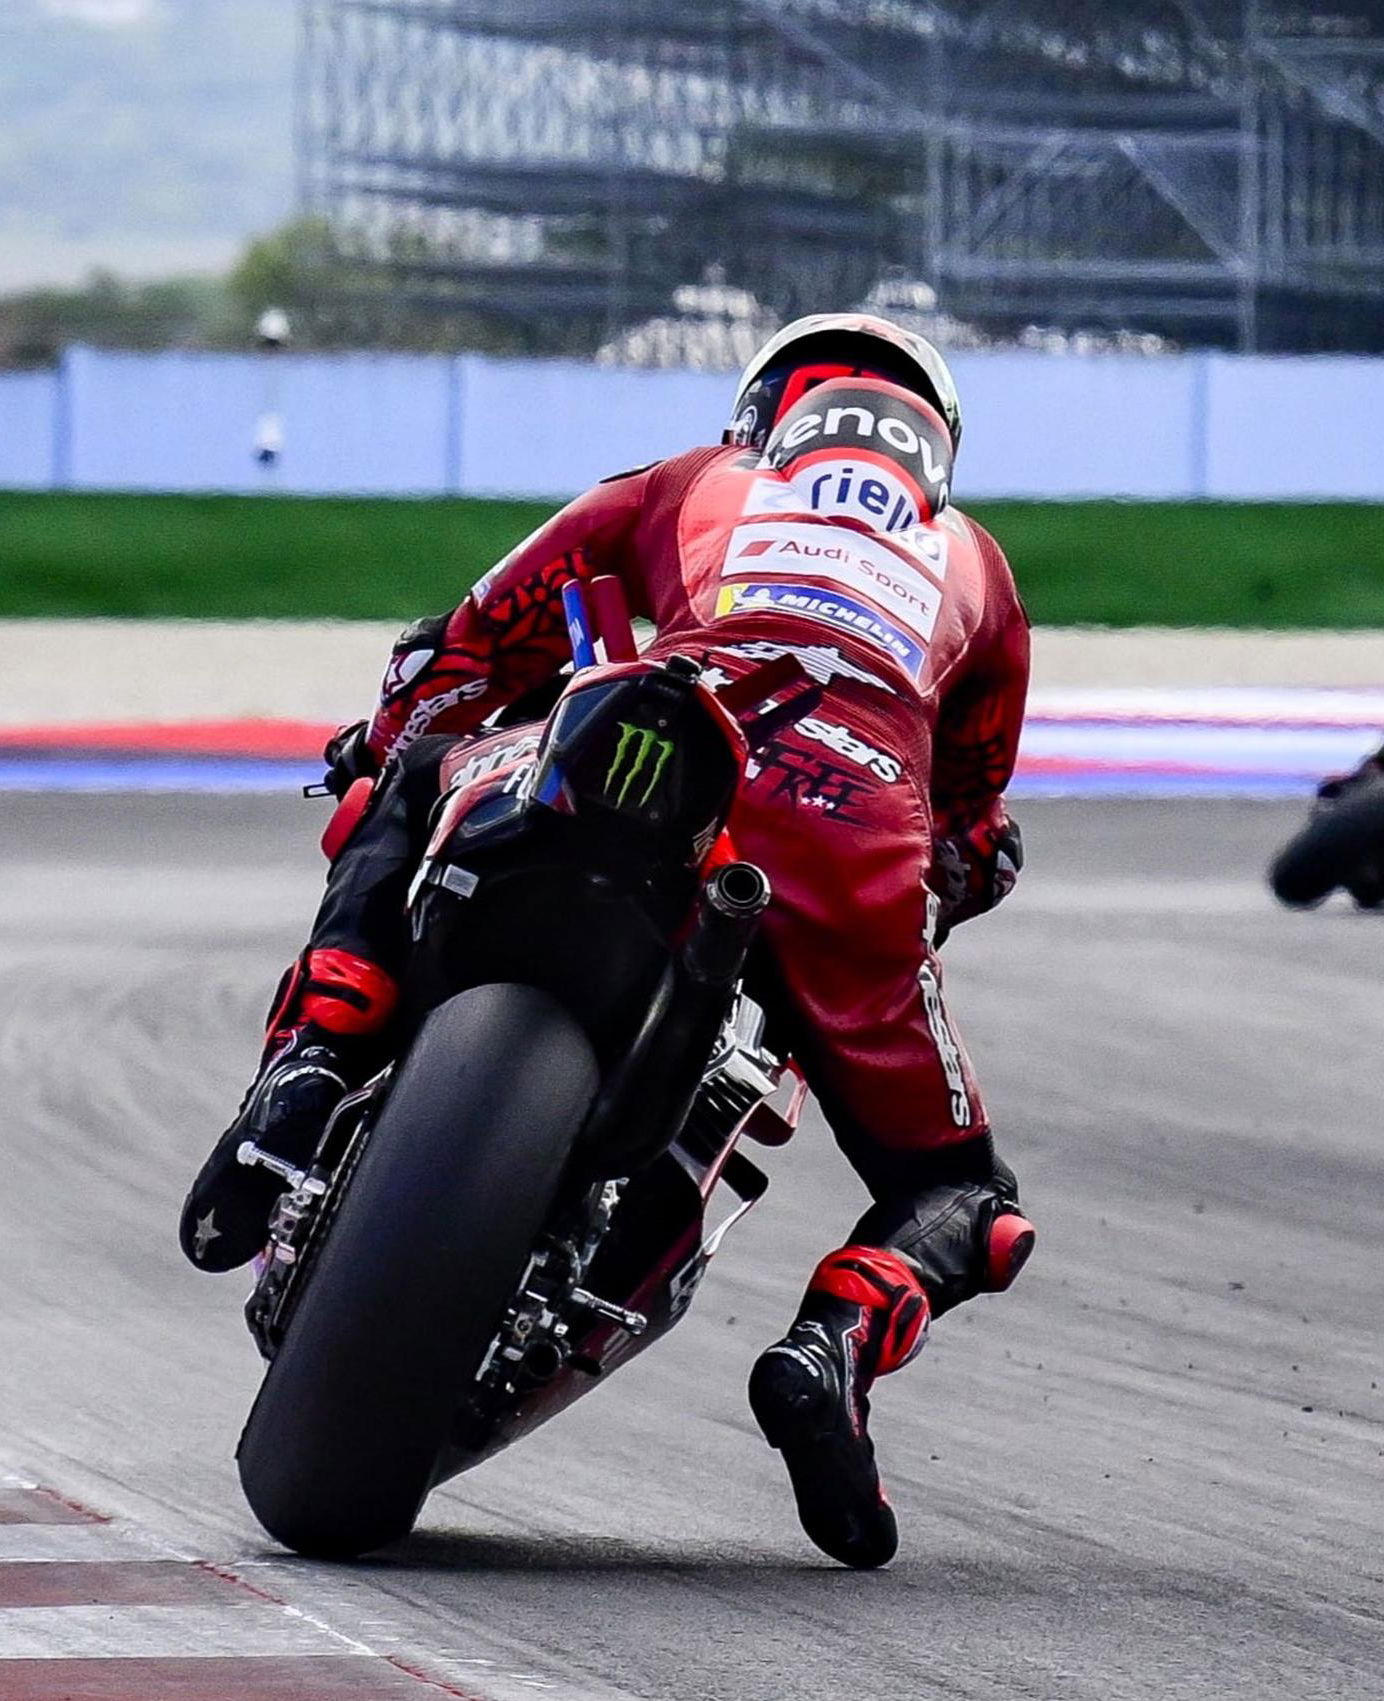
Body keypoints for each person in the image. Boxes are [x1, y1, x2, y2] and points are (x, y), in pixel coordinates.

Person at [178, 313, 1035, 1570]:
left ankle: (303, 1070)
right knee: (964, 1196)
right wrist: (933, 893)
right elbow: (970, 826)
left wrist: (389, 734)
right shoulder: (982, 571)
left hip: (661, 746)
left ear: (761, 416)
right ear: (939, 453)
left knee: (411, 778)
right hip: (851, 845)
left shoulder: (692, 481)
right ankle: (828, 1348)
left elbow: (469, 637)